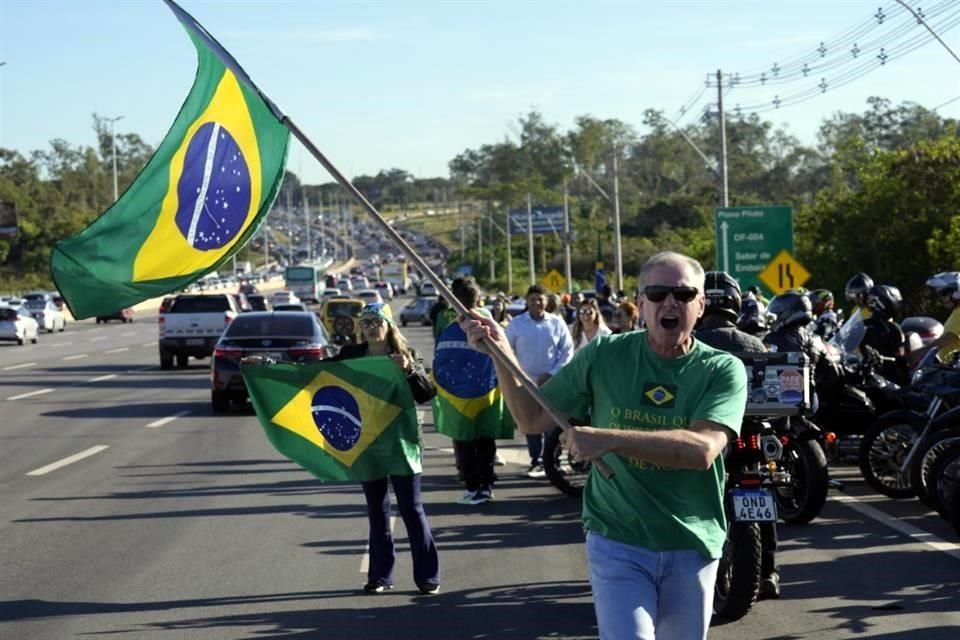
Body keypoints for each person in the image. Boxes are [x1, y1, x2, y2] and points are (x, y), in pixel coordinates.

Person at [463, 251, 747, 639]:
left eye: (682, 295)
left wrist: (606, 439)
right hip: (618, 539)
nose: (670, 303)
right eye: (658, 292)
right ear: (641, 302)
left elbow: (700, 451)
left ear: (700, 305)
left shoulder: (722, 369)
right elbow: (531, 418)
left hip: (692, 541)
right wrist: (500, 351)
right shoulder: (604, 354)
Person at [335, 302, 441, 595]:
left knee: (412, 509)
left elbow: (426, 393)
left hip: (401, 442)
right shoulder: (351, 356)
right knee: (377, 511)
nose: (370, 327)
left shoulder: (406, 357)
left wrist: (408, 371)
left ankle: (428, 576)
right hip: (367, 442)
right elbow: (317, 374)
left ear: (388, 326)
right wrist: (268, 366)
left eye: (376, 321)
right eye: (365, 322)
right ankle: (380, 576)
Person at [695, 271, 780, 600]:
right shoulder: (754, 343)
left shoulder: (691, 343)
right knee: (762, 494)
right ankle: (769, 571)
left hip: (706, 438)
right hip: (750, 438)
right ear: (734, 302)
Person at [436, 277, 504, 505]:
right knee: (485, 442)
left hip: (460, 399)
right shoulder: (490, 323)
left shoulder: (451, 326)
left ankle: (475, 487)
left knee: (465, 443)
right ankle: (486, 486)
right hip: (487, 394)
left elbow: (440, 363)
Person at [504, 284, 574, 478]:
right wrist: (518, 374)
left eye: (540, 299)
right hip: (526, 383)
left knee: (553, 423)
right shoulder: (517, 324)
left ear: (546, 301)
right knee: (531, 423)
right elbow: (506, 351)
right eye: (533, 299)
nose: (537, 302)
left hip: (552, 382)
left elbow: (567, 351)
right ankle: (537, 461)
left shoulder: (556, 322)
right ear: (527, 301)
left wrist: (552, 373)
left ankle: (553, 460)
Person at [861, 284, 908, 385]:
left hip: (883, 383)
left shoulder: (865, 325)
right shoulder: (892, 328)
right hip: (872, 378)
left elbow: (899, 361)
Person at [913, 271, 960, 364]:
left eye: (944, 293)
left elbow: (947, 338)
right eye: (939, 294)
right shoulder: (956, 312)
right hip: (948, 370)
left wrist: (916, 354)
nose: (942, 298)